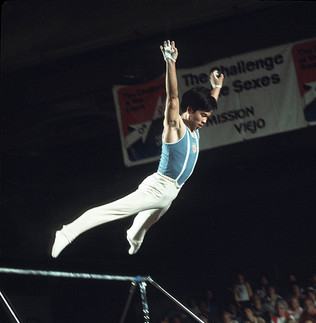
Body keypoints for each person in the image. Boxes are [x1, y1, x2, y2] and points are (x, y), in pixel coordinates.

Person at [51, 40, 222, 258]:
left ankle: (133, 236)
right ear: (189, 110)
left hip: (171, 193)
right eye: (203, 116)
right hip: (158, 188)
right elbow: (172, 96)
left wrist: (216, 87)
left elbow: (207, 107)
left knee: (144, 226)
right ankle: (67, 232)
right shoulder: (175, 126)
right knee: (113, 210)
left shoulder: (194, 125)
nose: (205, 121)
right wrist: (170, 61)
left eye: (207, 116)